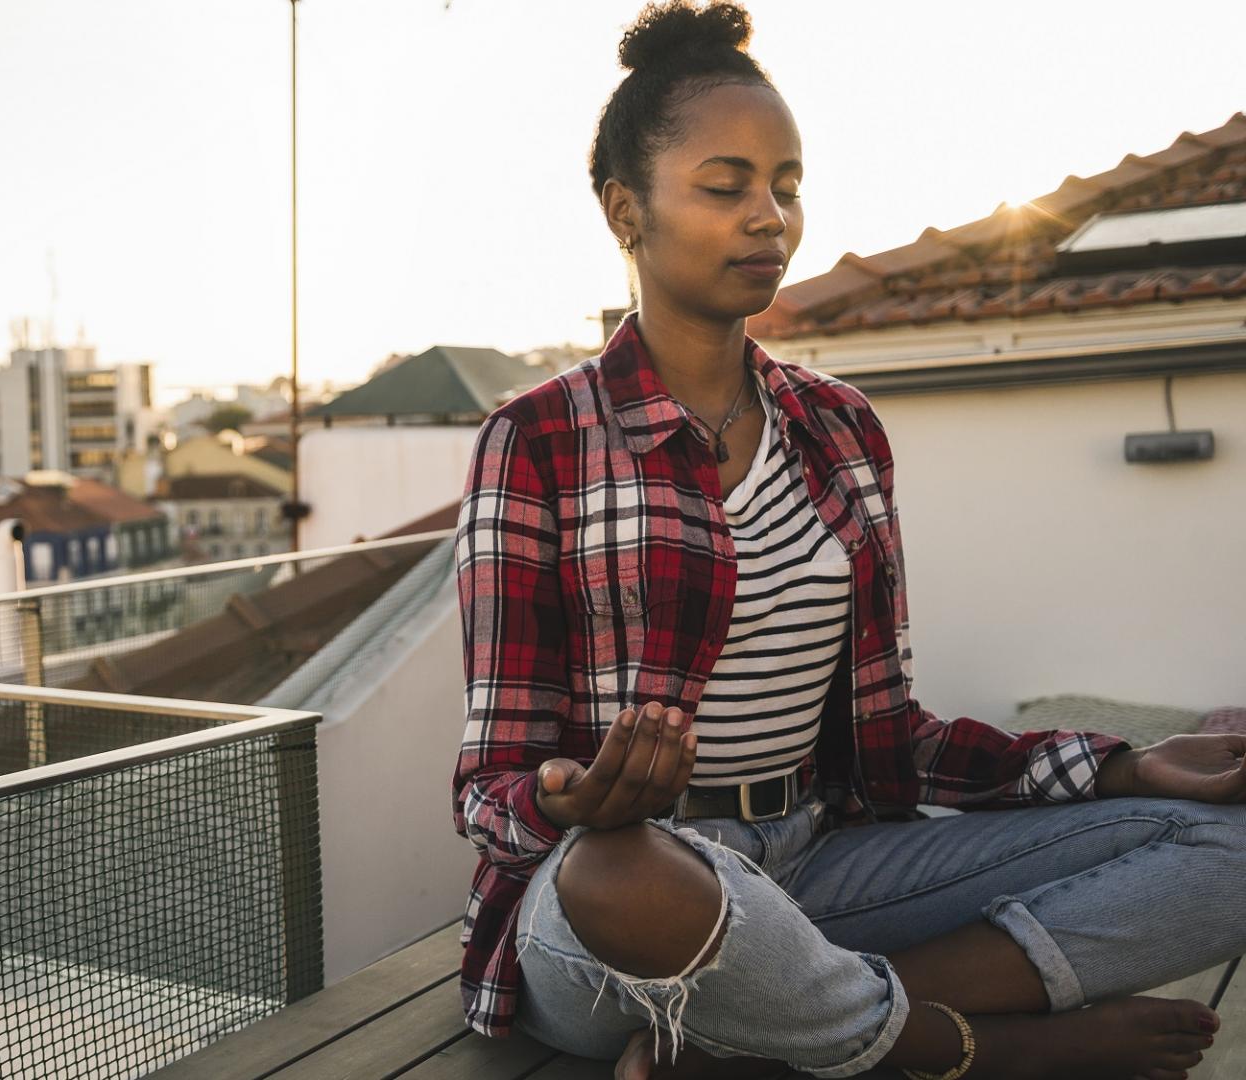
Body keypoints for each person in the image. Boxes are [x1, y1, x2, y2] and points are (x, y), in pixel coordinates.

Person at [450, 3, 1246, 1078]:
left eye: (787, 185)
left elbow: (896, 741)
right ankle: (979, 1050)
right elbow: (490, 785)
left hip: (817, 863)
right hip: (619, 901)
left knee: (1224, 843)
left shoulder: (840, 429)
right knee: (621, 876)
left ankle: (749, 1037)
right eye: (726, 187)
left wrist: (1124, 765)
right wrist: (570, 798)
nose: (770, 217)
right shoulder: (534, 438)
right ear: (625, 210)